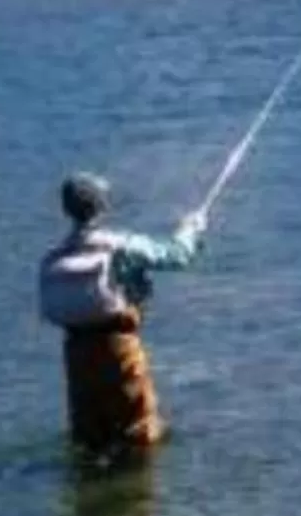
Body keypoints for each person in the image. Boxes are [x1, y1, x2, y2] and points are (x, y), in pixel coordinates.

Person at [38, 172, 206, 453]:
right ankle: (135, 491)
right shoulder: (122, 245)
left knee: (90, 440)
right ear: (102, 206)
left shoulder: (56, 255)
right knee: (140, 436)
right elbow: (177, 255)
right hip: (119, 350)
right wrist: (191, 229)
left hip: (76, 354)